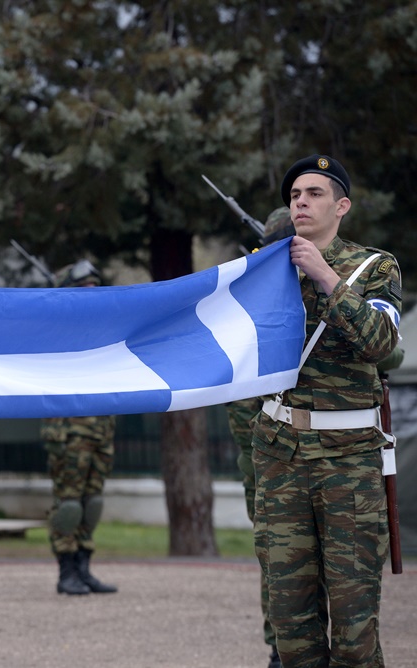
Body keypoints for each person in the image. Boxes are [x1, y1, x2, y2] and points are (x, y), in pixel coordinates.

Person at [252, 154, 402, 667]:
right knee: (291, 628)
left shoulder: (374, 267)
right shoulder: (265, 271)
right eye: (294, 195)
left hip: (348, 463)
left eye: (313, 193)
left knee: (355, 627)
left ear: (342, 206)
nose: (300, 202)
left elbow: (384, 345)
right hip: (281, 459)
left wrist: (324, 276)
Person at [225, 207, 300, 668]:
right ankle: (280, 645)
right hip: (269, 454)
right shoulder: (253, 303)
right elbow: (240, 403)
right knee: (279, 555)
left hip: (322, 452)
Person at [41, 259, 118, 596]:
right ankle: (66, 569)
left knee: (92, 502)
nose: (92, 293)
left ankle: (84, 566)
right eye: (83, 288)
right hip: (69, 430)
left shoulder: (104, 330)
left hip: (101, 428)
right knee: (69, 503)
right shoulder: (54, 332)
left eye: (94, 287)